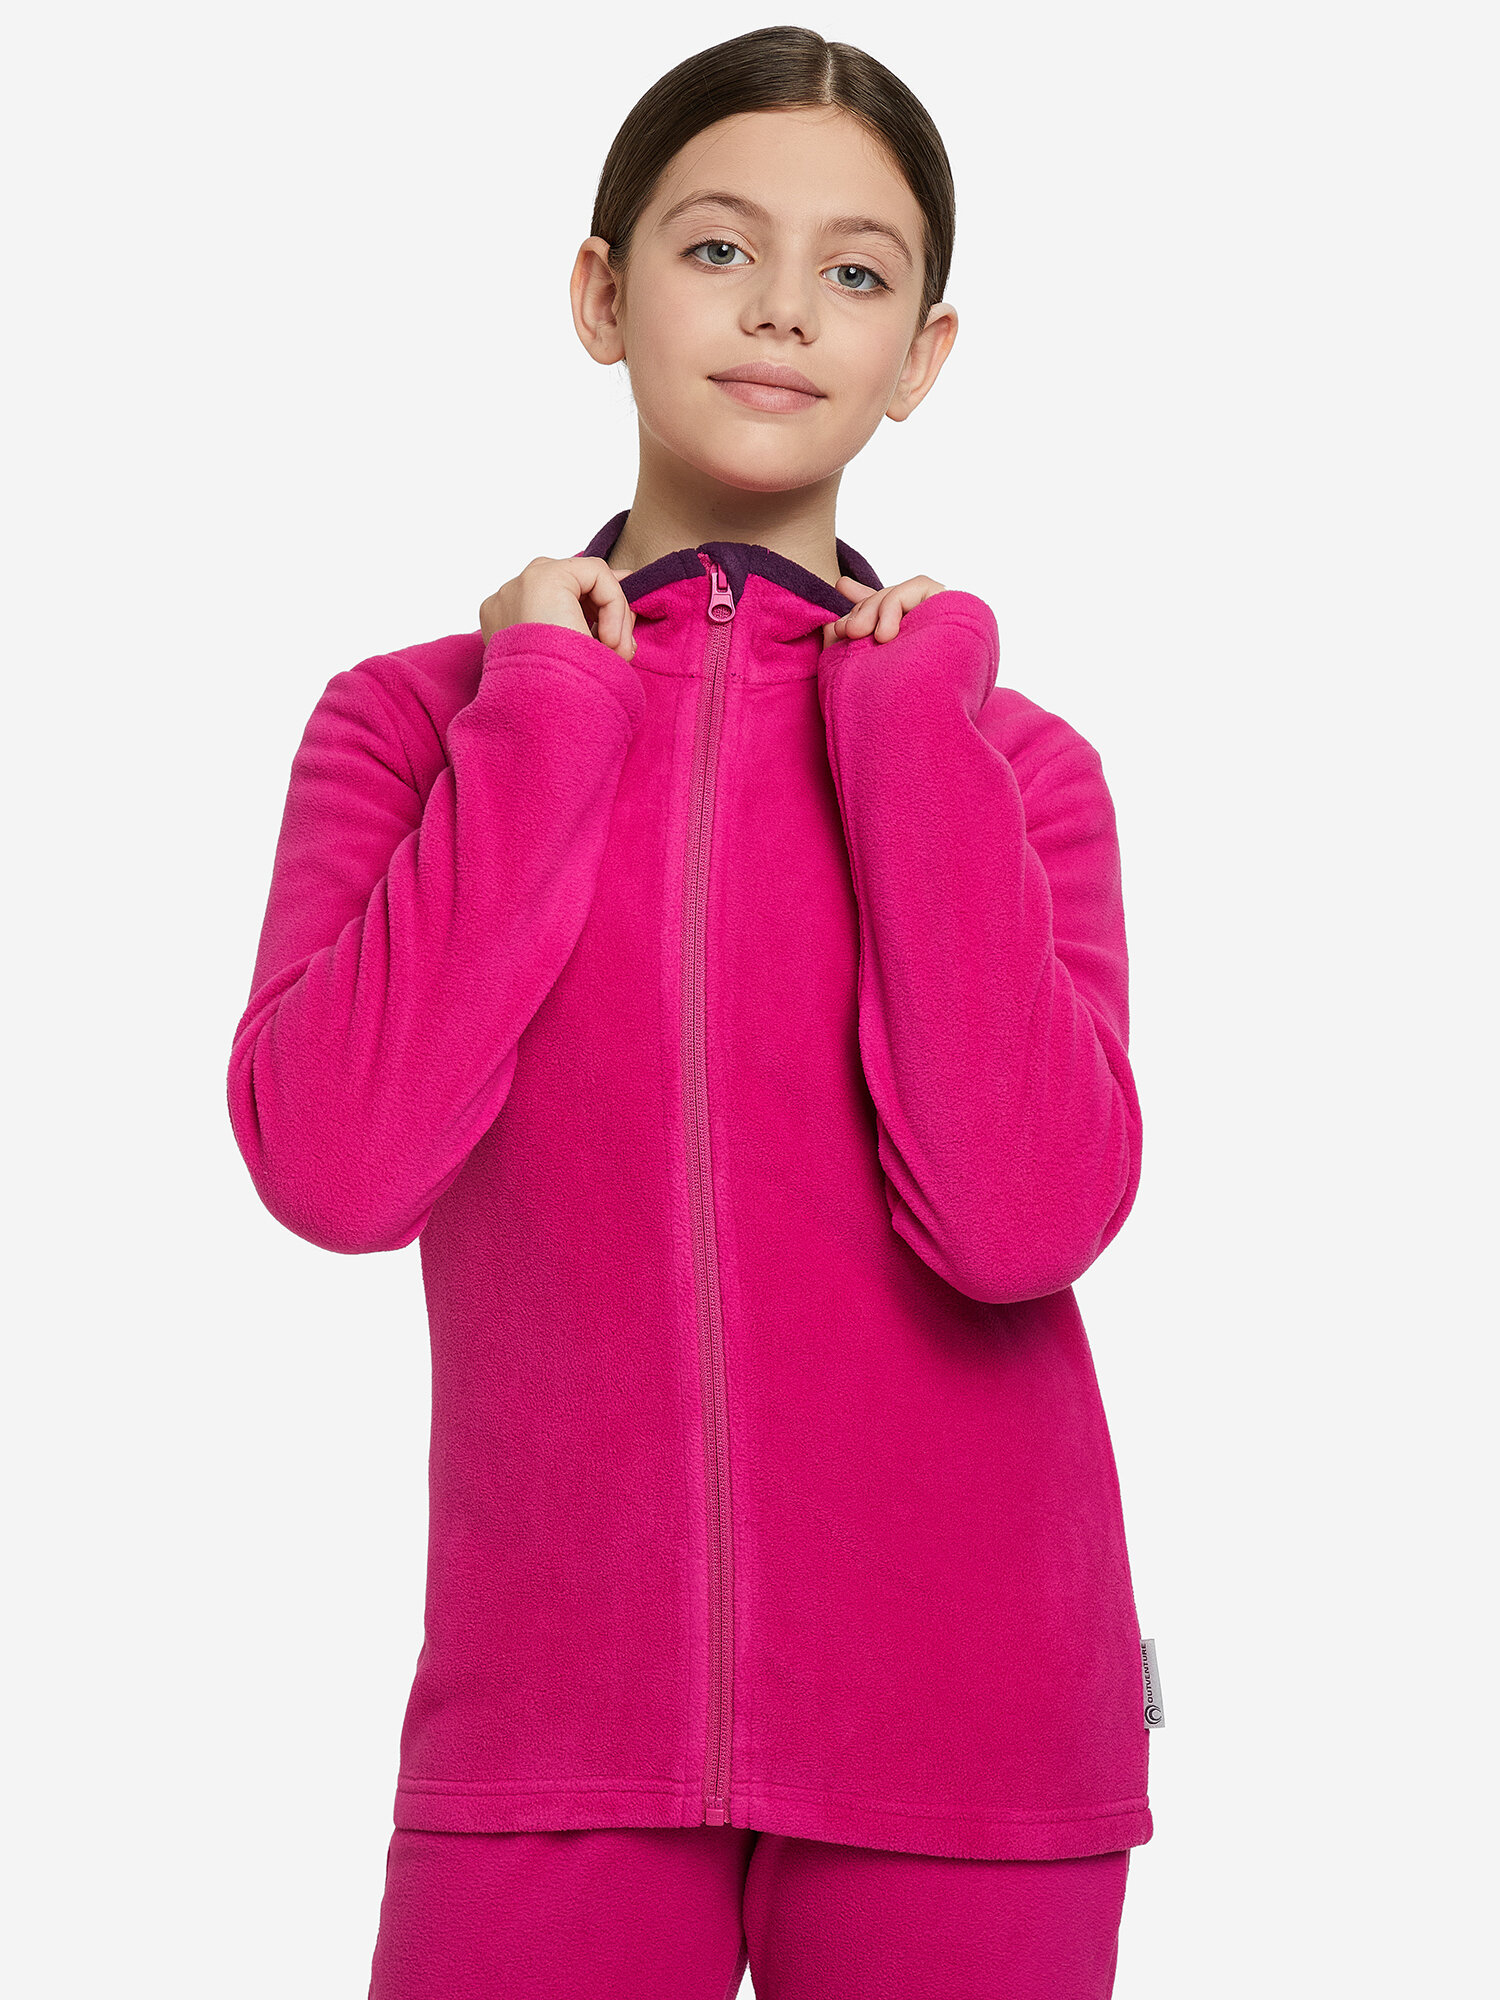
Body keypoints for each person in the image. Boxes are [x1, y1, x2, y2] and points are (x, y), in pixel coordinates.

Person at [226, 24, 1152, 1999]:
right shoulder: (414, 724)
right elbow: (338, 1167)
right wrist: (550, 713)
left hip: (968, 1740)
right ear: (601, 291)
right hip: (549, 1733)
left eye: (855, 271)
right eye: (720, 247)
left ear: (921, 354)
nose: (784, 310)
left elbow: (1023, 1220)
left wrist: (906, 739)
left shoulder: (1013, 765)